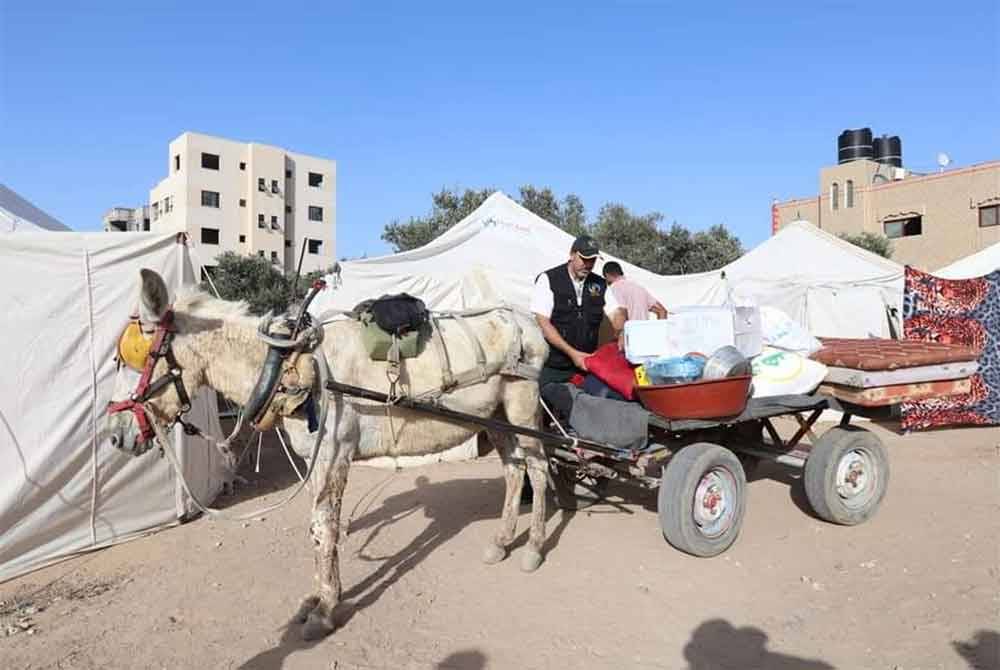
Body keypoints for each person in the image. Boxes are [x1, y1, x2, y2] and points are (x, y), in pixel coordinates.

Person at [530, 235, 622, 390]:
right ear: (572, 254)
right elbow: (543, 323)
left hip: (587, 366)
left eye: (592, 260)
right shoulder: (549, 279)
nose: (588, 264)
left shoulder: (599, 284)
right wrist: (573, 354)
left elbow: (616, 313)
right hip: (553, 368)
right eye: (584, 259)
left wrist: (621, 330)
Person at [602, 261, 668, 324]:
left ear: (607, 275)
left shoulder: (614, 288)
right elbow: (662, 311)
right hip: (644, 332)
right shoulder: (638, 287)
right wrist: (660, 333)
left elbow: (622, 312)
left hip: (628, 332)